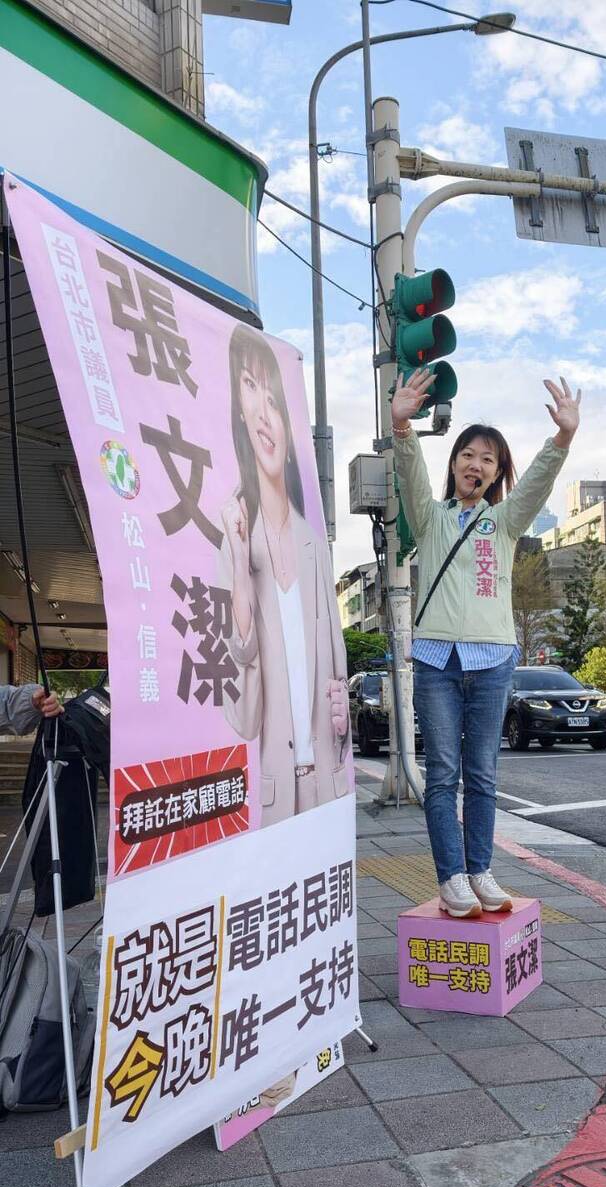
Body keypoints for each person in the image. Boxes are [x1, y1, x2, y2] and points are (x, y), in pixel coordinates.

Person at [392, 370, 581, 917]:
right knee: (442, 774)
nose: (475, 464)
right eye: (468, 455)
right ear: (454, 463)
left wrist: (563, 438)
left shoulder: (503, 523)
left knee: (482, 776)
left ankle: (480, 870)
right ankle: (451, 878)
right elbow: (410, 476)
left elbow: (537, 484)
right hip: (436, 661)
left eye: (488, 460)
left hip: (493, 659)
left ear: (497, 473)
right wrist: (402, 428)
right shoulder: (429, 519)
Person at [218, 326, 350, 826]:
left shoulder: (314, 544)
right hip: (277, 790)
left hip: (327, 781)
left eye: (273, 398)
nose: (263, 412)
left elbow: (335, 666)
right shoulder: (234, 536)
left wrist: (341, 712)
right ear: (238, 409)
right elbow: (243, 700)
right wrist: (238, 558)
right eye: (250, 388)